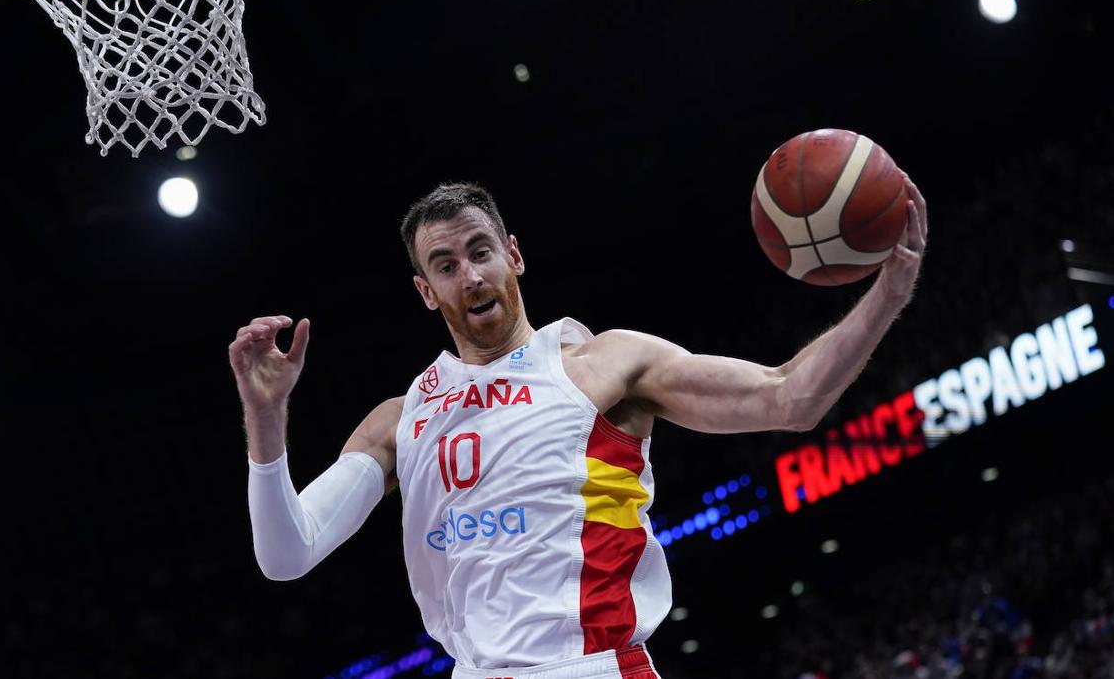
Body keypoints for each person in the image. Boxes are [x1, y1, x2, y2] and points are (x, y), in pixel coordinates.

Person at [228, 181, 928, 679]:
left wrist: (889, 291)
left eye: (480, 252)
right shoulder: (401, 420)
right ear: (426, 291)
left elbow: (789, 397)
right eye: (446, 265)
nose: (470, 275)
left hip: (592, 667)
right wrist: (266, 417)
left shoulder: (605, 364)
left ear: (514, 255)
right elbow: (287, 554)